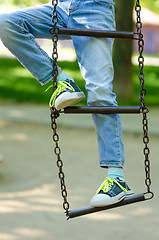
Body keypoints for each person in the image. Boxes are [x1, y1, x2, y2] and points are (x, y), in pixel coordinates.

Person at [0, 0, 133, 207]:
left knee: (99, 93)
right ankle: (61, 81)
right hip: (60, 7)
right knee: (5, 23)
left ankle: (116, 178)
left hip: (94, 7)